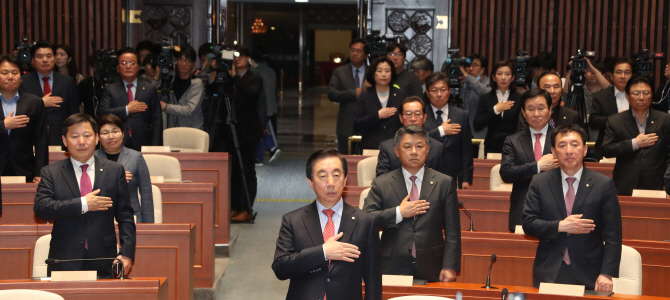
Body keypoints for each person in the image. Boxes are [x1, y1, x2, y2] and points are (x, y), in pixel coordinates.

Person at [34, 113, 136, 279]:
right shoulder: (50, 172)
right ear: (65, 141)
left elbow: (125, 216)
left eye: (87, 135)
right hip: (64, 259)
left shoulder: (114, 171)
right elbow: (41, 208)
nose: (81, 141)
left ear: (96, 138)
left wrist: (126, 253)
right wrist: (83, 204)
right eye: (74, 136)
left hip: (105, 258)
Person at [272, 149, 381, 300]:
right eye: (323, 176)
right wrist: (323, 252)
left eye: (336, 175)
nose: (330, 183)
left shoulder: (366, 222)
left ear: (345, 180)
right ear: (310, 182)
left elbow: (373, 281)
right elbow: (281, 268)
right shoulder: (293, 220)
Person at [523, 124, 622, 291]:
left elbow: (613, 234)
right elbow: (528, 223)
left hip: (590, 272)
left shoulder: (603, 184)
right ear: (553, 152)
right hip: (550, 271)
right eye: (562, 145)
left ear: (585, 150)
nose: (569, 150)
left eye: (575, 145)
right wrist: (560, 226)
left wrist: (606, 273)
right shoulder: (540, 182)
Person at [363, 125, 461, 282]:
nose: (414, 151)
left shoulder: (444, 183)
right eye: (407, 147)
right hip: (392, 265)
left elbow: (452, 231)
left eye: (420, 146)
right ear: (396, 151)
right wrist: (398, 213)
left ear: (428, 149)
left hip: (432, 265)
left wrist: (450, 265)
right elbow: (367, 219)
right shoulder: (382, 183)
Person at [212, 45, 264, 223]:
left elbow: (251, 93)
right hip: (228, 130)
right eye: (233, 56)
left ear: (248, 58)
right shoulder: (226, 78)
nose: (236, 59)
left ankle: (247, 208)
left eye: (240, 56)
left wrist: (234, 77)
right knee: (232, 172)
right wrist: (214, 71)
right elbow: (213, 94)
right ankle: (234, 207)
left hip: (248, 132)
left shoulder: (255, 78)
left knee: (247, 170)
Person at [500, 88, 560, 232]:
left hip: (557, 208)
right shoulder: (513, 140)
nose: (536, 114)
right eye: (531, 109)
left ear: (550, 109)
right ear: (523, 112)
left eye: (541, 108)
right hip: (522, 209)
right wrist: (538, 166)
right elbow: (506, 173)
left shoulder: (562, 139)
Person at [601, 75, 670, 196]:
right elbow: (606, 149)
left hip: (657, 185)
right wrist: (635, 143)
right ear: (628, 96)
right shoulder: (615, 120)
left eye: (646, 93)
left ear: (652, 95)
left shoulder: (665, 120)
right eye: (636, 93)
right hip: (625, 185)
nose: (642, 97)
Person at [97, 48, 163, 151]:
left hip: (144, 141)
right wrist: (127, 109)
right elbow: (102, 113)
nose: (128, 66)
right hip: (118, 142)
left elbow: (157, 120)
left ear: (138, 67)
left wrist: (156, 146)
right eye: (124, 63)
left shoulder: (149, 88)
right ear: (118, 68)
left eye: (132, 63)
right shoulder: (110, 89)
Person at [94, 114, 154, 223]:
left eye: (115, 131)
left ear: (122, 134)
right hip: (99, 217)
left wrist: (149, 224)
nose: (111, 136)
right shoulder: (91, 158)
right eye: (105, 133)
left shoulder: (136, 157)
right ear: (98, 137)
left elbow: (146, 193)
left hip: (132, 215)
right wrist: (114, 178)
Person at [20, 40, 80, 146]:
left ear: (54, 58)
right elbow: (18, 111)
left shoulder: (67, 82)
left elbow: (74, 114)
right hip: (30, 138)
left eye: (49, 56)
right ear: (33, 61)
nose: (45, 60)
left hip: (60, 139)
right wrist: (40, 103)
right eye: (40, 57)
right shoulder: (22, 82)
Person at [0, 54, 48, 183]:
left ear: (21, 77)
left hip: (24, 168)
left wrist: (40, 172)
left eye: (14, 73)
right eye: (5, 73)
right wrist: (3, 125)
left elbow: (41, 140)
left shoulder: (35, 102)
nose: (10, 77)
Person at [422, 72, 473, 188]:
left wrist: (466, 178)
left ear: (449, 91)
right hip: (426, 172)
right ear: (427, 93)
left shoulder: (461, 115)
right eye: (434, 90)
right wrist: (441, 130)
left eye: (443, 90)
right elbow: (419, 138)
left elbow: (466, 150)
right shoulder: (420, 114)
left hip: (454, 175)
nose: (439, 94)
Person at [376, 96, 443, 176]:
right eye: (408, 114)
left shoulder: (437, 147)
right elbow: (381, 179)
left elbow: (444, 180)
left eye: (417, 114)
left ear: (424, 118)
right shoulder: (387, 147)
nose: (413, 118)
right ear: (401, 118)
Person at [354, 56, 406, 152]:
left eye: (387, 71)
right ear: (373, 74)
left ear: (392, 73)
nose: (383, 74)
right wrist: (377, 115)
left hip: (395, 147)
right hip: (371, 146)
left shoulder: (400, 95)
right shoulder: (365, 96)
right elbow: (357, 123)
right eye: (379, 71)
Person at [328, 38, 369, 154]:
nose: (355, 54)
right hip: (346, 123)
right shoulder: (339, 72)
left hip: (368, 123)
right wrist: (354, 93)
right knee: (345, 159)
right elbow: (332, 94)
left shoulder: (373, 72)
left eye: (359, 51)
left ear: (366, 55)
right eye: (352, 50)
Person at [474, 60, 523, 155]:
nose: (503, 78)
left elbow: (523, 125)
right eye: (499, 74)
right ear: (494, 77)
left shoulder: (520, 98)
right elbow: (477, 124)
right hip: (492, 146)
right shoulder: (486, 98)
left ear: (512, 77)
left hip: (514, 146)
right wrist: (495, 110)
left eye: (507, 74)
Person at [590, 57, 634, 160]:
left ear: (632, 76)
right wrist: (617, 118)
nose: (623, 76)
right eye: (619, 72)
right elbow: (593, 121)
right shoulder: (600, 96)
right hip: (607, 149)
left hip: (634, 150)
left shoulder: (640, 96)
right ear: (611, 76)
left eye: (627, 72)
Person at [160, 44, 204, 129]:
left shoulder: (196, 84)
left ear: (193, 64)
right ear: (176, 60)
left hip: (192, 130)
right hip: (172, 129)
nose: (184, 64)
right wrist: (158, 74)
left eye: (187, 61)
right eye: (181, 60)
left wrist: (166, 107)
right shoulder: (170, 81)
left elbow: (189, 110)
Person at [518, 72, 583, 130]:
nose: (552, 91)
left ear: (561, 91)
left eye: (556, 87)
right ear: (538, 89)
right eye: (547, 87)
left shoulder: (572, 116)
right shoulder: (528, 113)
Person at [251, 49, 281, 164]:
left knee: (260, 131)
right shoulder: (271, 71)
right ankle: (270, 148)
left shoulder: (255, 73)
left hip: (261, 107)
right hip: (271, 106)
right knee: (263, 130)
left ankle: (270, 148)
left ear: (252, 60)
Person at [459, 53, 491, 139]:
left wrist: (467, 76)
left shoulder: (489, 84)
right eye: (468, 65)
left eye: (475, 65)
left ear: (483, 69)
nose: (471, 68)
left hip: (482, 133)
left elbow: (483, 92)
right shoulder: (465, 84)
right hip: (466, 132)